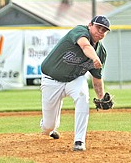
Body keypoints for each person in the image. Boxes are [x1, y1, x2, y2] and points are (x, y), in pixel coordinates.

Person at [40, 15, 111, 151]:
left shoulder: (101, 52)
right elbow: (84, 45)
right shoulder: (80, 31)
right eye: (98, 27)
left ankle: (79, 141)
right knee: (48, 126)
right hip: (51, 79)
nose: (100, 32)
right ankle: (48, 128)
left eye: (104, 30)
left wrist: (101, 97)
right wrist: (94, 57)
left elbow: (97, 77)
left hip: (74, 79)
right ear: (90, 25)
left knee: (83, 96)